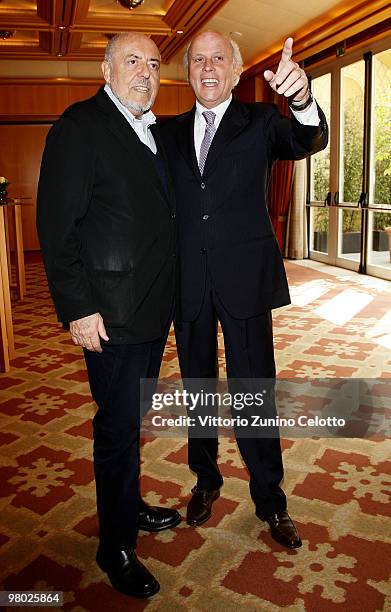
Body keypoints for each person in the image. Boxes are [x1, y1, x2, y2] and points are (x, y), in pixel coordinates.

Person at [161, 31, 328, 549]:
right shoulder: (164, 133)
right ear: (187, 72)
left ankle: (271, 500)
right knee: (198, 391)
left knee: (255, 391)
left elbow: (308, 139)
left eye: (219, 59)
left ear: (235, 72)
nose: (208, 68)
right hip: (187, 280)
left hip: (245, 280)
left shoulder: (260, 122)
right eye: (198, 60)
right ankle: (206, 481)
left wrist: (300, 97)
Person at [37, 32, 180, 599]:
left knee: (130, 420)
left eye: (152, 63)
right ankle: (115, 544)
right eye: (131, 61)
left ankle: (130, 504)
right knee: (116, 428)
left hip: (151, 310)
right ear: (105, 69)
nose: (145, 72)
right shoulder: (80, 126)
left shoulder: (152, 129)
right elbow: (57, 227)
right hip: (111, 316)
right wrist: (77, 309)